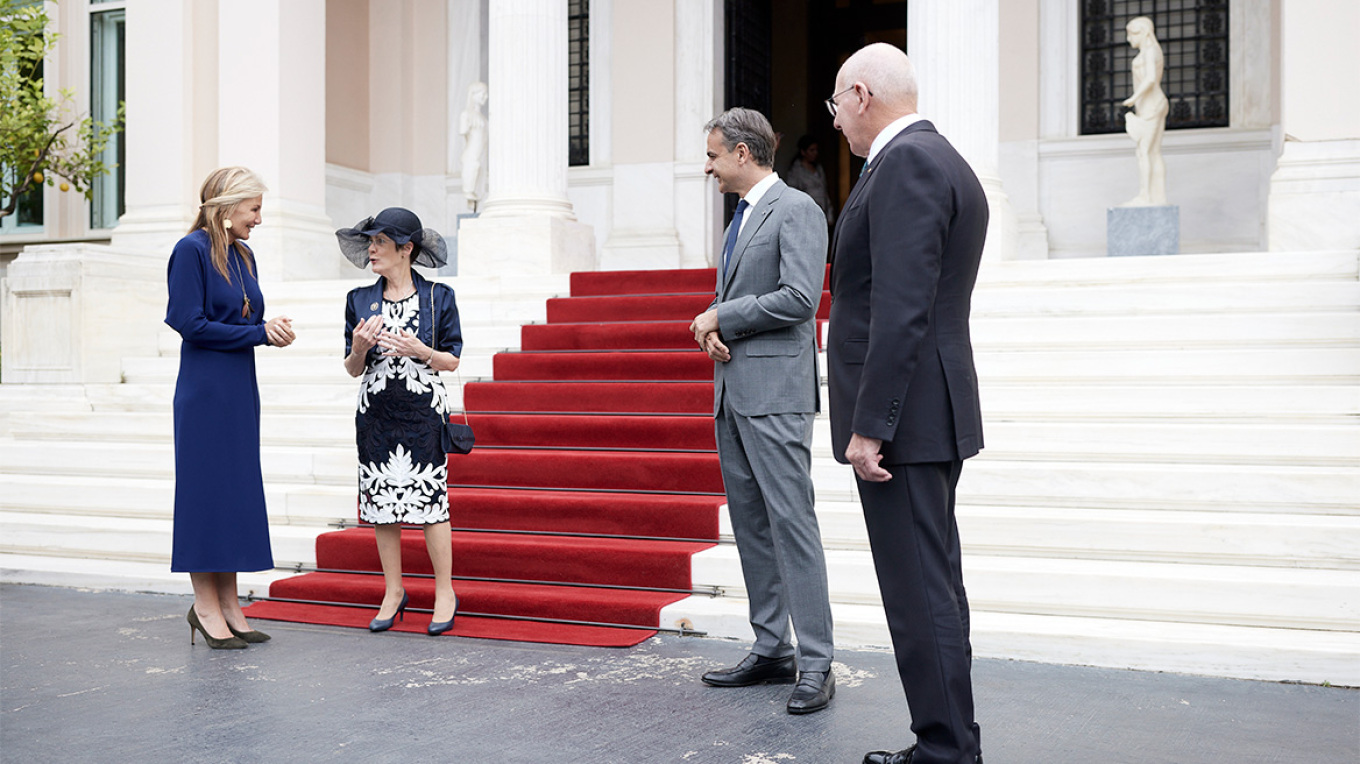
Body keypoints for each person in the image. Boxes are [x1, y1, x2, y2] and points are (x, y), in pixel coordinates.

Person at [826, 43, 988, 764]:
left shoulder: (908, 163)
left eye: (835, 105)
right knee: (934, 590)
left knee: (919, 595)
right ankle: (951, 742)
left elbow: (901, 307)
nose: (835, 122)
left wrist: (870, 425)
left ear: (860, 94)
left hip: (906, 424)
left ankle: (947, 750)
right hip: (927, 414)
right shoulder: (942, 158)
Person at [689, 108, 835, 715]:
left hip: (776, 395)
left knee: (791, 525)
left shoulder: (798, 209)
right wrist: (715, 331)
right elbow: (747, 297)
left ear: (744, 154)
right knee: (751, 526)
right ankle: (772, 647)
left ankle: (818, 661)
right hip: (735, 389)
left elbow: (801, 299)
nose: (708, 167)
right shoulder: (742, 216)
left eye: (714, 155)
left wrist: (724, 315)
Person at [166, 166, 295, 650]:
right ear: (227, 207)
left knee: (235, 493)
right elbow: (189, 323)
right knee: (205, 494)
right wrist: (257, 333)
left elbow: (246, 315)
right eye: (254, 209)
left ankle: (231, 605)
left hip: (239, 387)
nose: (259, 219)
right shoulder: (190, 251)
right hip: (203, 392)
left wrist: (270, 326)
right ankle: (205, 607)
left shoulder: (244, 255)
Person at [339, 207, 463, 637]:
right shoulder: (359, 300)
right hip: (375, 413)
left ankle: (444, 591)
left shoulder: (439, 297)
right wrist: (357, 347)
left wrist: (420, 349)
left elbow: (452, 359)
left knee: (432, 501)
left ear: (406, 249)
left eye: (380, 242)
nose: (371, 249)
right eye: (369, 242)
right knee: (380, 504)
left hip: (422, 412)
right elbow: (353, 369)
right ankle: (394, 591)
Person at [1121, 16, 1169, 206]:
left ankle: (1146, 196)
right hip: (1155, 103)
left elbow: (1150, 79)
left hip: (1151, 105)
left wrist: (1133, 98)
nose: (1128, 39)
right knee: (1153, 152)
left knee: (1144, 152)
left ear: (1143, 33)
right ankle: (1158, 197)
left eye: (1131, 34)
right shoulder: (1154, 51)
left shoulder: (1150, 51)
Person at [784, 134, 835, 226]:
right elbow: (793, 196)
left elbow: (824, 192)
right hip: (806, 216)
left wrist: (830, 215)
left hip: (823, 213)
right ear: (803, 152)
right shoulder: (796, 171)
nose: (815, 153)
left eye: (816, 150)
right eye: (811, 150)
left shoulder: (819, 169)